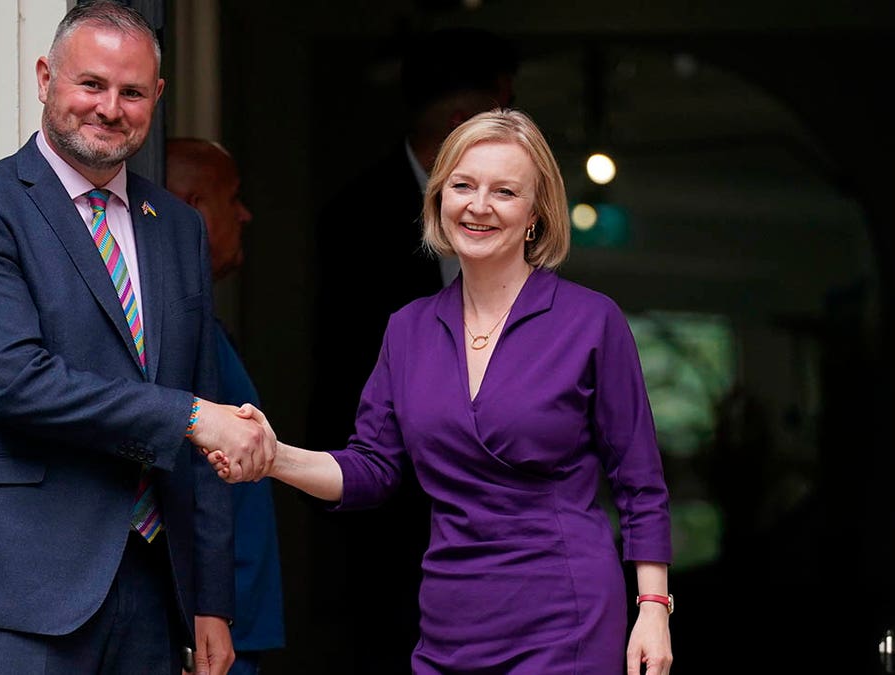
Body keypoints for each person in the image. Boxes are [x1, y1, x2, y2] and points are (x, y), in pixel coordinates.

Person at [217, 108, 674, 674]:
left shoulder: (590, 322)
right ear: (438, 199)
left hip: (566, 614)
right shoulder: (407, 329)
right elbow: (372, 470)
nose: (478, 205)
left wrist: (653, 608)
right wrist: (274, 457)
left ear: (536, 214)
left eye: (504, 191)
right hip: (449, 618)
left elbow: (640, 481)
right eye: (462, 185)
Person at [0, 3, 274, 674]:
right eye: (91, 84)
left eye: (131, 92)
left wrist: (212, 599)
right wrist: (190, 417)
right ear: (46, 77)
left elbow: (202, 417)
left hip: (151, 588)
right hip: (18, 589)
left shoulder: (178, 229)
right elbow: (19, 384)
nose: (110, 107)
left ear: (156, 99)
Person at [305, 27, 520, 673]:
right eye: (503, 113)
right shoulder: (358, 215)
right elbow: (347, 366)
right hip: (393, 506)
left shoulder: (519, 213)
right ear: (461, 120)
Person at [166, 138, 286, 675]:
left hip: (235, 621)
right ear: (192, 209)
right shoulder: (167, 332)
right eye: (230, 197)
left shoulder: (204, 325)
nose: (245, 213)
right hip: (206, 633)